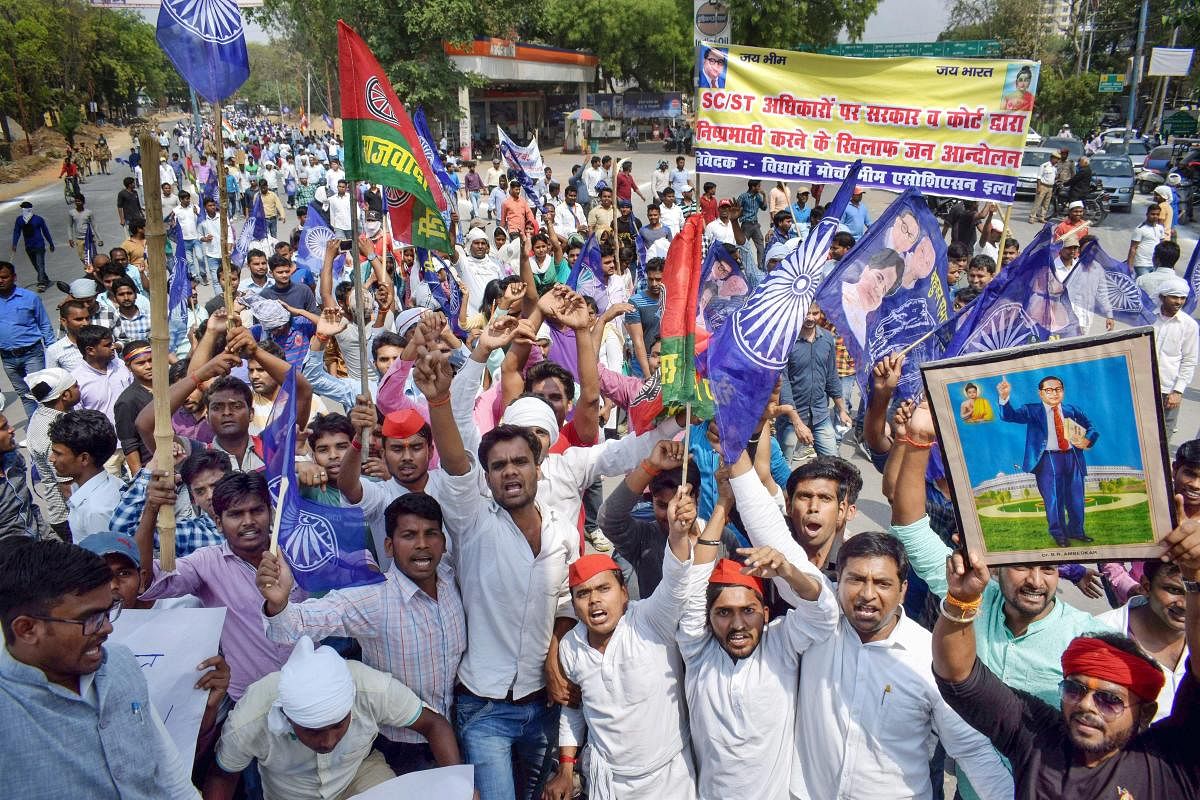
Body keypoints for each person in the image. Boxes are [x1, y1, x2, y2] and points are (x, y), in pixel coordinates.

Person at [738, 471, 1014, 800]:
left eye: (882, 584)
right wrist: (737, 457)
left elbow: (972, 751)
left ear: (903, 590)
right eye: (856, 579)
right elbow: (774, 536)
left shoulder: (928, 658)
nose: (867, 594)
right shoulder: (820, 624)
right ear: (837, 581)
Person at [931, 513, 1200, 799]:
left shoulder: (1167, 761)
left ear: (1144, 713)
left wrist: (1194, 578)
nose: (1086, 704)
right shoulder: (1039, 738)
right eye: (1074, 689)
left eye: (1108, 699)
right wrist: (962, 600)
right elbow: (959, 676)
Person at [676, 453, 839, 800]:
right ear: (708, 619)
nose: (737, 624)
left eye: (748, 611)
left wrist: (788, 572)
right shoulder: (698, 652)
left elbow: (824, 612)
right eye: (723, 613)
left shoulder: (780, 643)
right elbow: (693, 588)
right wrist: (721, 505)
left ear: (766, 613)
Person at [0, 537, 202, 799]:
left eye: (109, 612)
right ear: (27, 629)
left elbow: (170, 776)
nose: (107, 628)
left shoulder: (120, 663)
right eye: (90, 619)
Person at [543, 488, 700, 800]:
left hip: (669, 779)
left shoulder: (650, 620)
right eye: (583, 594)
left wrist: (679, 535)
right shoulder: (572, 645)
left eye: (604, 589)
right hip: (607, 782)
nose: (595, 601)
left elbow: (676, 581)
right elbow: (575, 711)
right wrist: (565, 767)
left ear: (625, 592)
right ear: (573, 605)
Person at [205, 636, 462, 800]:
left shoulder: (368, 687)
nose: (328, 741)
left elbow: (433, 724)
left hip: (359, 776)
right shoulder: (252, 716)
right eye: (313, 731)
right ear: (287, 715)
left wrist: (458, 783)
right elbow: (222, 775)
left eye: (339, 725)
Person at [996, 374, 1097, 546]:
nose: (1054, 393)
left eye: (1058, 389)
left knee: (1076, 497)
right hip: (1047, 460)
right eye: (1049, 390)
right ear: (1041, 393)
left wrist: (1088, 440)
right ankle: (1059, 535)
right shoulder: (1032, 410)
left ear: (1063, 391)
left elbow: (1091, 427)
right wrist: (1004, 397)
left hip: (1073, 457)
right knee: (1053, 499)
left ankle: (1077, 531)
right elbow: (1009, 416)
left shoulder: (1072, 410)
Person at [780, 303, 851, 461]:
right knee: (783, 472)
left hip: (820, 415)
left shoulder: (826, 339)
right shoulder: (785, 341)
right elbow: (783, 385)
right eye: (807, 313)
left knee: (832, 464)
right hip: (792, 419)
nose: (811, 318)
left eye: (815, 313)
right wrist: (797, 423)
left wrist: (841, 410)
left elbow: (832, 376)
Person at [47, 409, 121, 539]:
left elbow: (105, 557)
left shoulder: (95, 511)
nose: (51, 458)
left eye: (58, 453)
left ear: (84, 459)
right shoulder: (92, 488)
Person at [0, 260, 56, 421]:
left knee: (40, 393)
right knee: (24, 395)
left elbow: (44, 324)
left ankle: (49, 427)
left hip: (32, 354)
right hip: (8, 359)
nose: (0, 281)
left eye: (4, 277)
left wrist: (52, 351)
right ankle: (34, 430)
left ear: (14, 277)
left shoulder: (29, 298)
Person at [1150, 277, 1197, 440]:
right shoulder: (1148, 317)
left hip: (1167, 390)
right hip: (1142, 384)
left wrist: (1178, 391)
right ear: (1163, 297)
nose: (1178, 302)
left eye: (1182, 298)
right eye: (1174, 297)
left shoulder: (1189, 325)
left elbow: (1189, 360)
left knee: (1163, 437)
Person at [838, 249, 905, 346]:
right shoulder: (835, 293)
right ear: (866, 269)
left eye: (884, 290)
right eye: (879, 277)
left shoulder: (870, 333)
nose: (878, 289)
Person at [10, 201, 54, 292]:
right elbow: (16, 232)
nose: (23, 210)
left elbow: (45, 231)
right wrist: (14, 244)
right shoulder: (20, 220)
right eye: (22, 208)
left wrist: (51, 243)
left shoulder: (38, 219)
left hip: (39, 245)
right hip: (29, 246)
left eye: (24, 208)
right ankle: (46, 279)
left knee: (40, 264)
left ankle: (41, 283)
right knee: (36, 265)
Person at [1127, 203, 1166, 278]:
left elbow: (1162, 246)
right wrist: (1129, 266)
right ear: (1147, 214)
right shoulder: (1140, 229)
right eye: (1153, 214)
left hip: (1155, 264)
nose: (1155, 216)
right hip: (1142, 264)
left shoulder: (1160, 228)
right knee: (1143, 286)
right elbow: (1133, 248)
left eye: (1157, 214)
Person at [1029, 152, 1060, 224]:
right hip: (1043, 185)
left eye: (1058, 159)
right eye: (1056, 159)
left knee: (1046, 203)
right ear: (1052, 158)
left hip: (1050, 187)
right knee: (1038, 202)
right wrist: (1038, 187)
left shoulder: (1055, 168)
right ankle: (1032, 217)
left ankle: (1042, 217)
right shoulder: (1044, 165)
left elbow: (1053, 177)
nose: (1057, 161)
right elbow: (1039, 177)